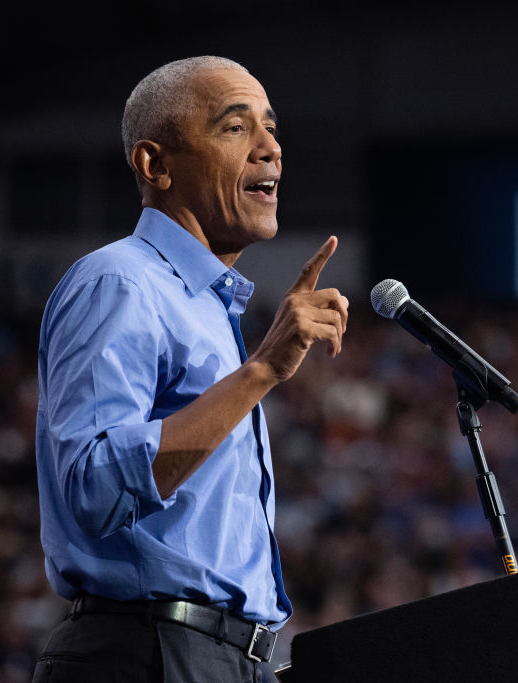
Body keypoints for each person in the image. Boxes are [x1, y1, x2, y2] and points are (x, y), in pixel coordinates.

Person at [31, 56, 349, 682]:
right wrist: (259, 373)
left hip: (219, 659)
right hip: (146, 655)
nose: (270, 149)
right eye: (235, 128)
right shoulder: (119, 282)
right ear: (155, 165)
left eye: (271, 126)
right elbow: (94, 487)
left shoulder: (207, 306)